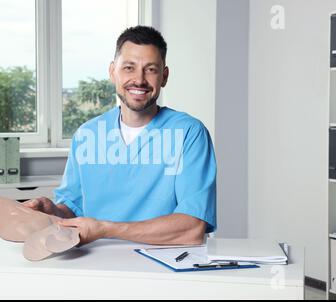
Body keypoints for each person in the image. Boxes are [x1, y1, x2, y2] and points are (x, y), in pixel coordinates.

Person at [24, 26, 216, 246]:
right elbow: (74, 210)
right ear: (112, 72)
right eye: (129, 68)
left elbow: (192, 228)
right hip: (96, 262)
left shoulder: (188, 134)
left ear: (164, 77)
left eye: (151, 69)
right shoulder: (88, 134)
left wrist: (106, 229)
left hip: (164, 265)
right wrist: (52, 211)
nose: (139, 79)